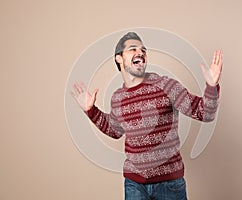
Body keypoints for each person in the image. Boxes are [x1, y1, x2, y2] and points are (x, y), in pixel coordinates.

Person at [71, 32, 222, 200]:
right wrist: (91, 110)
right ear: (119, 58)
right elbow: (114, 130)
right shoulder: (118, 97)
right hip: (134, 184)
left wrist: (211, 86)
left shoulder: (166, 85)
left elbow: (205, 113)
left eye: (143, 50)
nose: (140, 53)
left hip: (170, 185)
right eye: (133, 49)